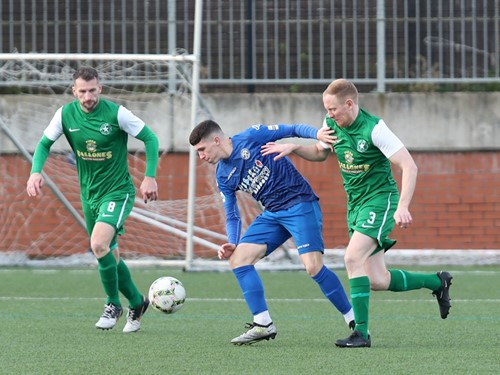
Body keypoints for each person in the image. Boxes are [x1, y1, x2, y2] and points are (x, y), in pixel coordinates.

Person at [261, 78, 452, 348]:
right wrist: (293, 147)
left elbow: (409, 166)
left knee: (352, 257)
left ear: (349, 104)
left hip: (379, 200)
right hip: (356, 205)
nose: (328, 115)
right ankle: (437, 282)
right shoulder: (331, 126)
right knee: (377, 279)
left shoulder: (375, 129)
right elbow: (319, 152)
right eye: (326, 110)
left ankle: (360, 333)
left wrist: (403, 206)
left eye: (333, 109)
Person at [189, 119, 355, 345]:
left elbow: (293, 129)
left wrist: (318, 134)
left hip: (299, 204)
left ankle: (354, 320)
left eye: (202, 150)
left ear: (216, 140)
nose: (201, 157)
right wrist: (232, 242)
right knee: (238, 260)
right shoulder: (222, 176)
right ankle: (263, 323)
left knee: (313, 267)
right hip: (273, 214)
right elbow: (233, 214)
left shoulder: (251, 136)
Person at [26, 67, 159, 333]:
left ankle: (113, 305)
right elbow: (43, 144)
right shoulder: (65, 115)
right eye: (82, 91)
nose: (88, 96)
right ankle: (136, 301)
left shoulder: (116, 113)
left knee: (98, 244)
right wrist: (35, 172)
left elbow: (150, 138)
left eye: (92, 90)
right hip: (89, 195)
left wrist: (150, 176)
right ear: (74, 91)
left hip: (118, 192)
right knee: (110, 253)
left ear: (101, 88)